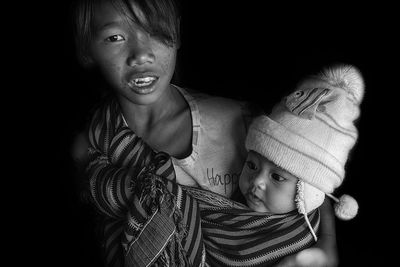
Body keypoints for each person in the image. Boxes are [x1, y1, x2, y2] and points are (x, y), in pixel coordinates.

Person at [69, 0, 339, 266]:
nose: (141, 54)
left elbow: (309, 177)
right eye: (115, 37)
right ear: (87, 47)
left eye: (155, 31)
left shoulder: (242, 120)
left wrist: (327, 245)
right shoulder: (95, 149)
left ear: (176, 33)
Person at [238, 64, 363, 265]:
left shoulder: (304, 242)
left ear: (306, 194)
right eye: (252, 165)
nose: (257, 181)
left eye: (277, 177)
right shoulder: (223, 211)